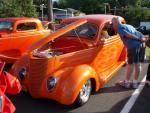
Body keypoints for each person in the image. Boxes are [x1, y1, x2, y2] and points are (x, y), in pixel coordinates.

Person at [112, 17, 146, 88]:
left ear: (115, 23)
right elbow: (138, 32)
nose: (112, 25)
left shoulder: (120, 28)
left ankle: (127, 82)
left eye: (113, 24)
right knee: (138, 64)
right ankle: (135, 83)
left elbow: (127, 34)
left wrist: (139, 38)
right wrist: (142, 38)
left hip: (133, 46)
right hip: (141, 45)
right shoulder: (128, 25)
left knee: (131, 65)